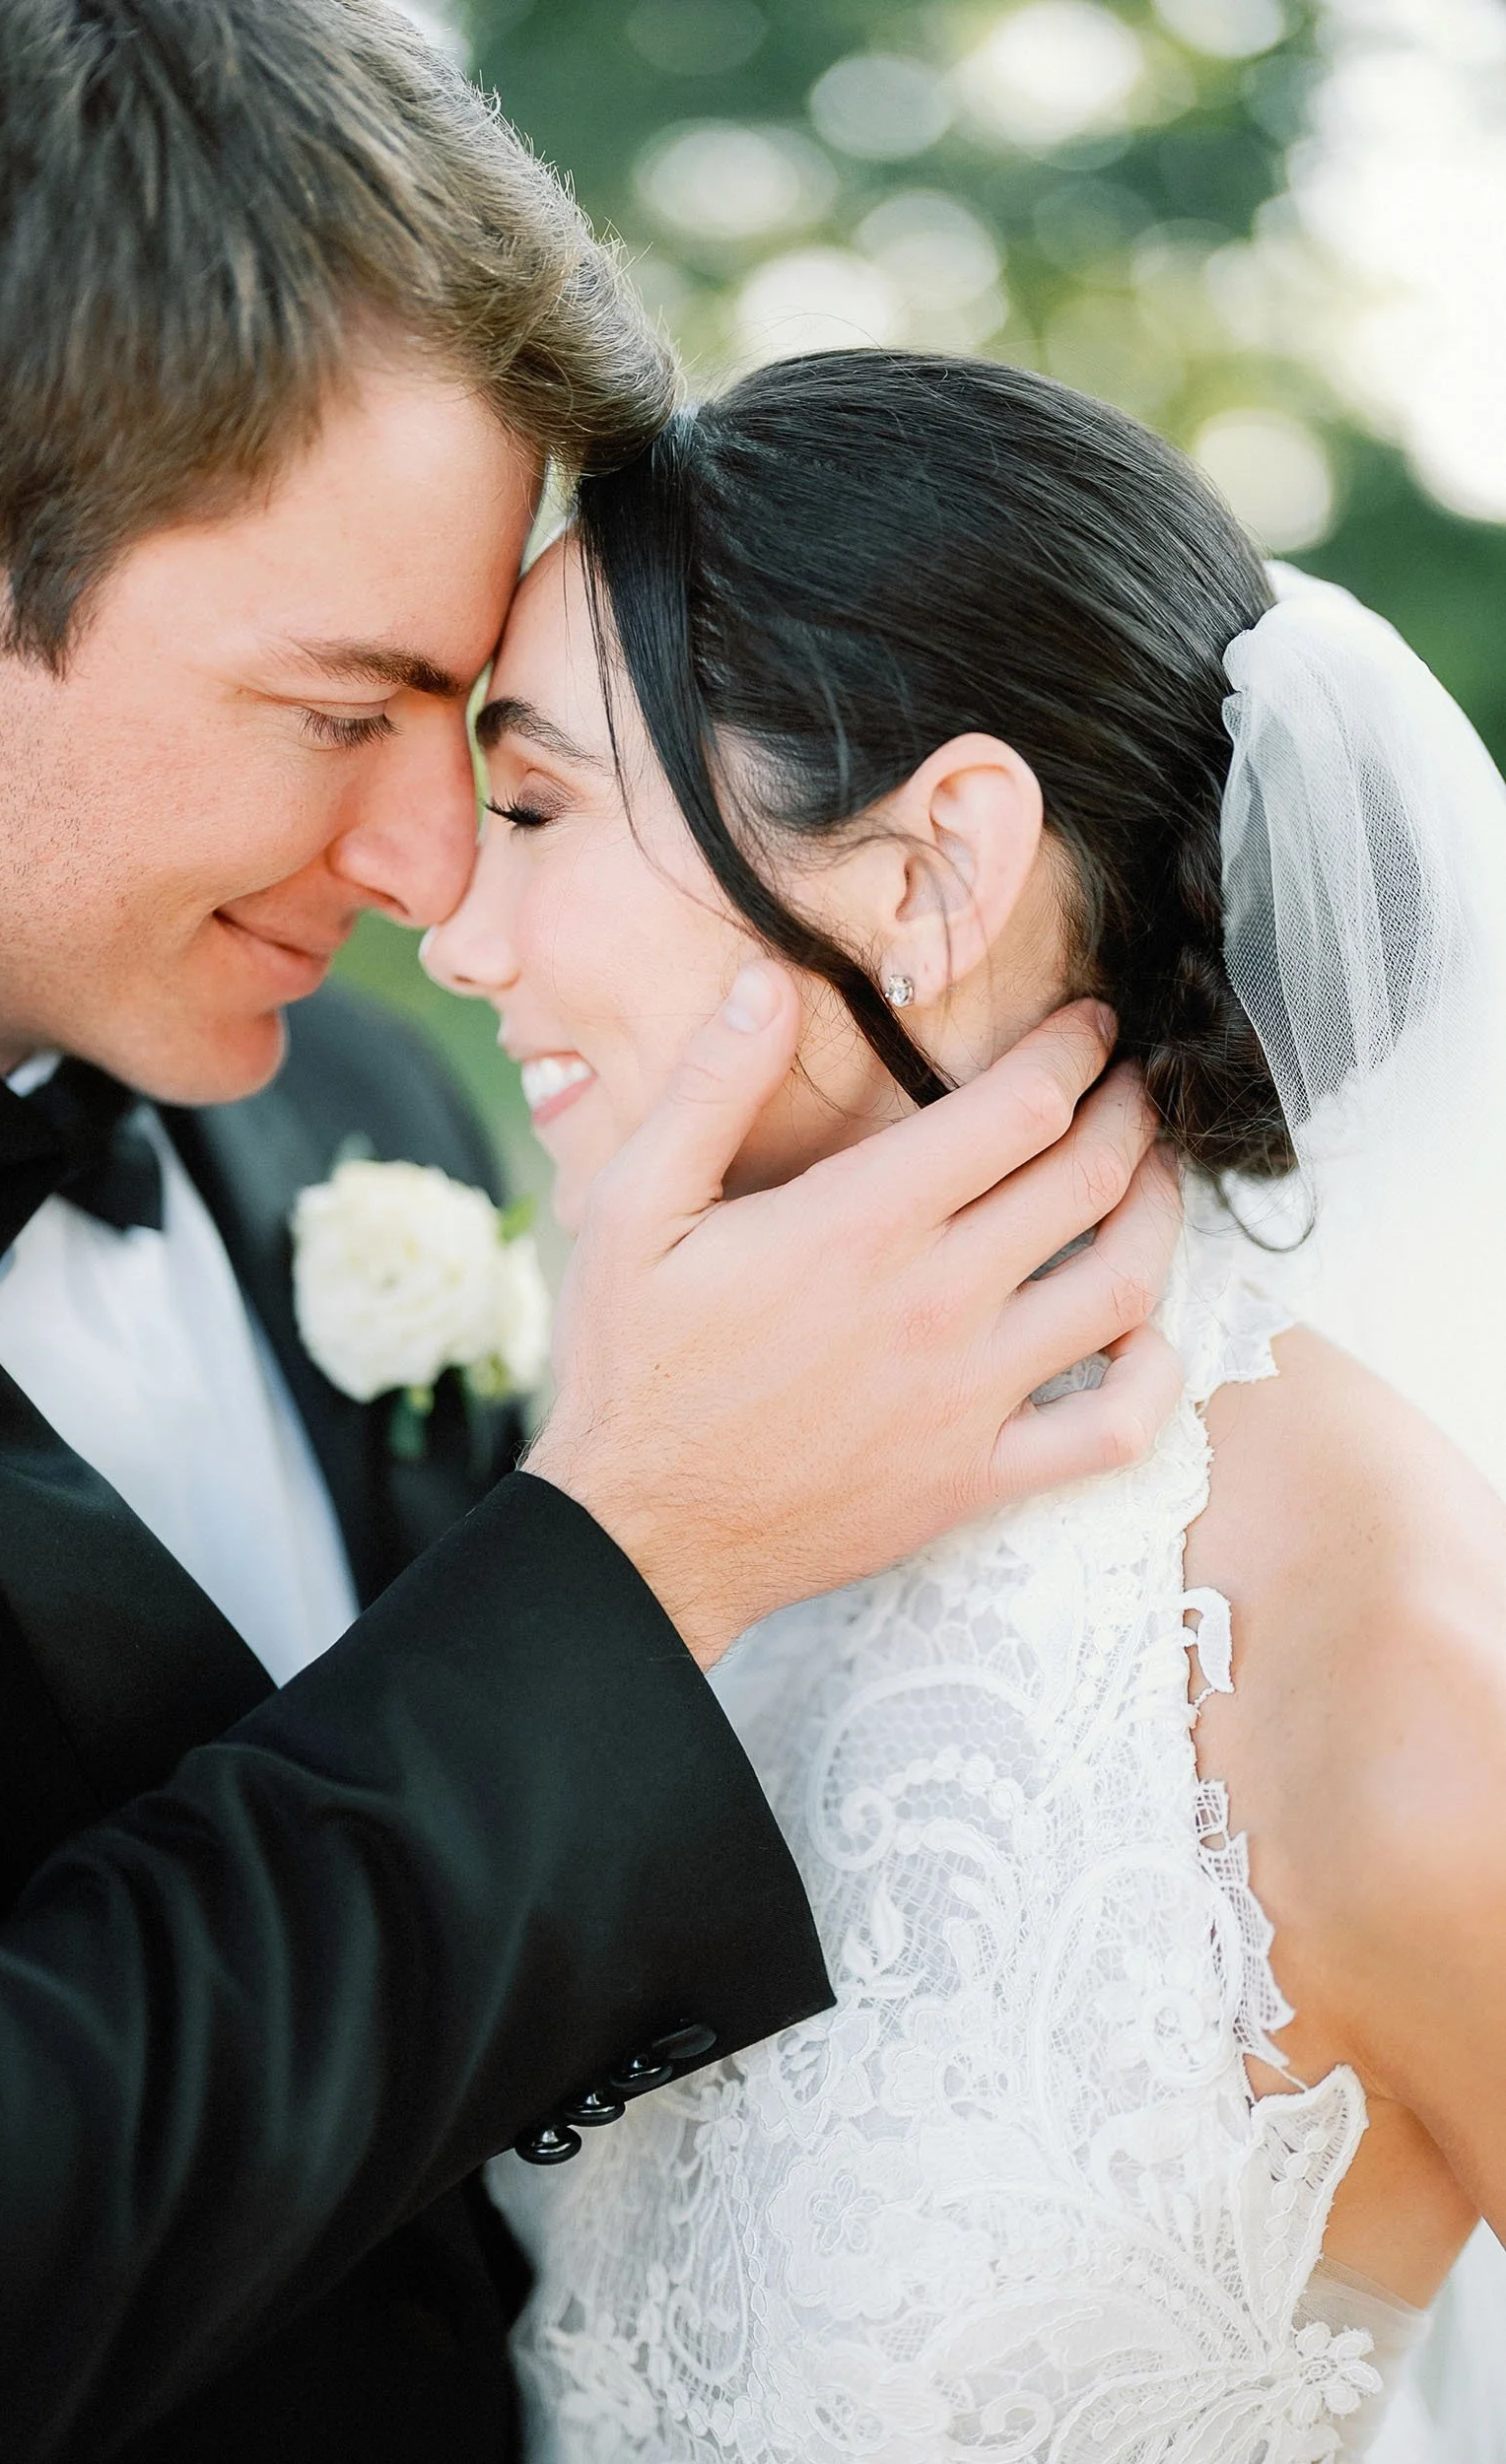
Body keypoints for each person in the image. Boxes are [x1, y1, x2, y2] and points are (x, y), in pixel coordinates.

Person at [0, 10, 1183, 2460]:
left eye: (471, 736)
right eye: (336, 706)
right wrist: (621, 1559)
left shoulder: (344, 1102)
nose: (432, 871)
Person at [428, 351, 1506, 2461]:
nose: (459, 931)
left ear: (929, 864)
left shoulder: (1377, 1655)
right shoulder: (672, 1476)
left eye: (537, 806)